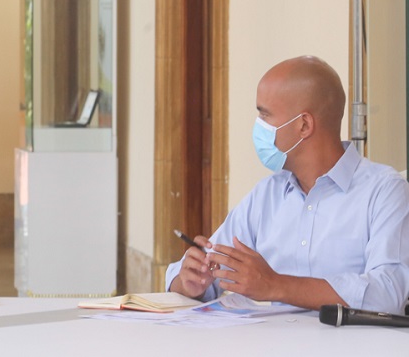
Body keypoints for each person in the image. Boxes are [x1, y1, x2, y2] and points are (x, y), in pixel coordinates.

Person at [166, 55, 409, 314]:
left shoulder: (385, 191)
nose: (258, 127)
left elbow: (388, 293)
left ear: (303, 125)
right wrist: (192, 281)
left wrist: (276, 285)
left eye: (265, 115)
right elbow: (200, 274)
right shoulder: (267, 194)